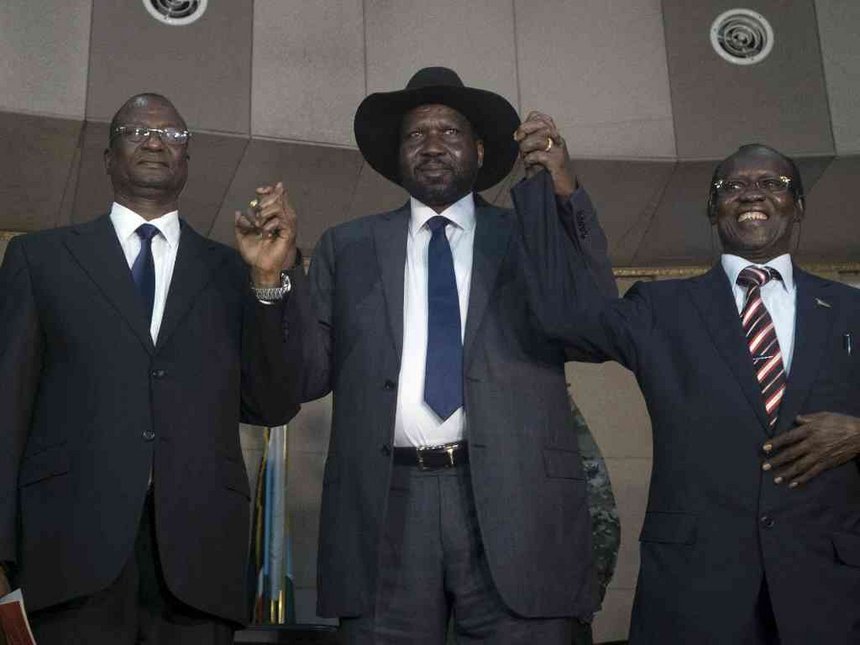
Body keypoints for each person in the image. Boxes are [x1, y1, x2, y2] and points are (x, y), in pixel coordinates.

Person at [269, 66, 617, 643]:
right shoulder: (346, 247)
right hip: (386, 504)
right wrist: (277, 283)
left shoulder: (527, 235)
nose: (431, 144)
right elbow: (305, 376)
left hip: (515, 499)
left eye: (449, 133)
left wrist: (562, 188)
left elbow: (597, 323)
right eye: (415, 135)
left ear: (480, 152)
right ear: (397, 156)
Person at [516, 143, 860, 643]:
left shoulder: (852, 311)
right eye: (733, 186)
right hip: (696, 591)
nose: (751, 194)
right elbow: (559, 316)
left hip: (828, 592)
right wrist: (558, 192)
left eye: (771, 184)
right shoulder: (661, 306)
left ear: (799, 206)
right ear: (712, 208)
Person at [0, 93, 303, 644]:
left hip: (198, 559)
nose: (156, 141)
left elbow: (272, 404)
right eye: (136, 131)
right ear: (108, 154)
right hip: (68, 552)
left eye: (173, 135)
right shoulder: (39, 258)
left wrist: (266, 284)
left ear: (187, 162)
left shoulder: (234, 268)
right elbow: (6, 409)